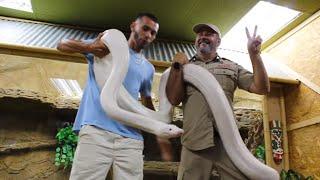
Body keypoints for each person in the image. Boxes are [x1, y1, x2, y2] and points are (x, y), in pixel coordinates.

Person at [57, 13, 174, 180]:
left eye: (153, 33)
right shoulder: (106, 47)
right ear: (134, 25)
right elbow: (61, 45)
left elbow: (146, 103)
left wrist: (159, 130)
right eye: (145, 28)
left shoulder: (148, 68)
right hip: (96, 132)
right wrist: (91, 48)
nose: (148, 35)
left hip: (131, 139)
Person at [166, 23, 270, 180]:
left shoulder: (231, 66)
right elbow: (174, 99)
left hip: (228, 144)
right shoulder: (186, 69)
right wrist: (176, 67)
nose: (203, 36)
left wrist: (254, 55)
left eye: (209, 34)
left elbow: (261, 88)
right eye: (200, 34)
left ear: (218, 41)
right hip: (194, 142)